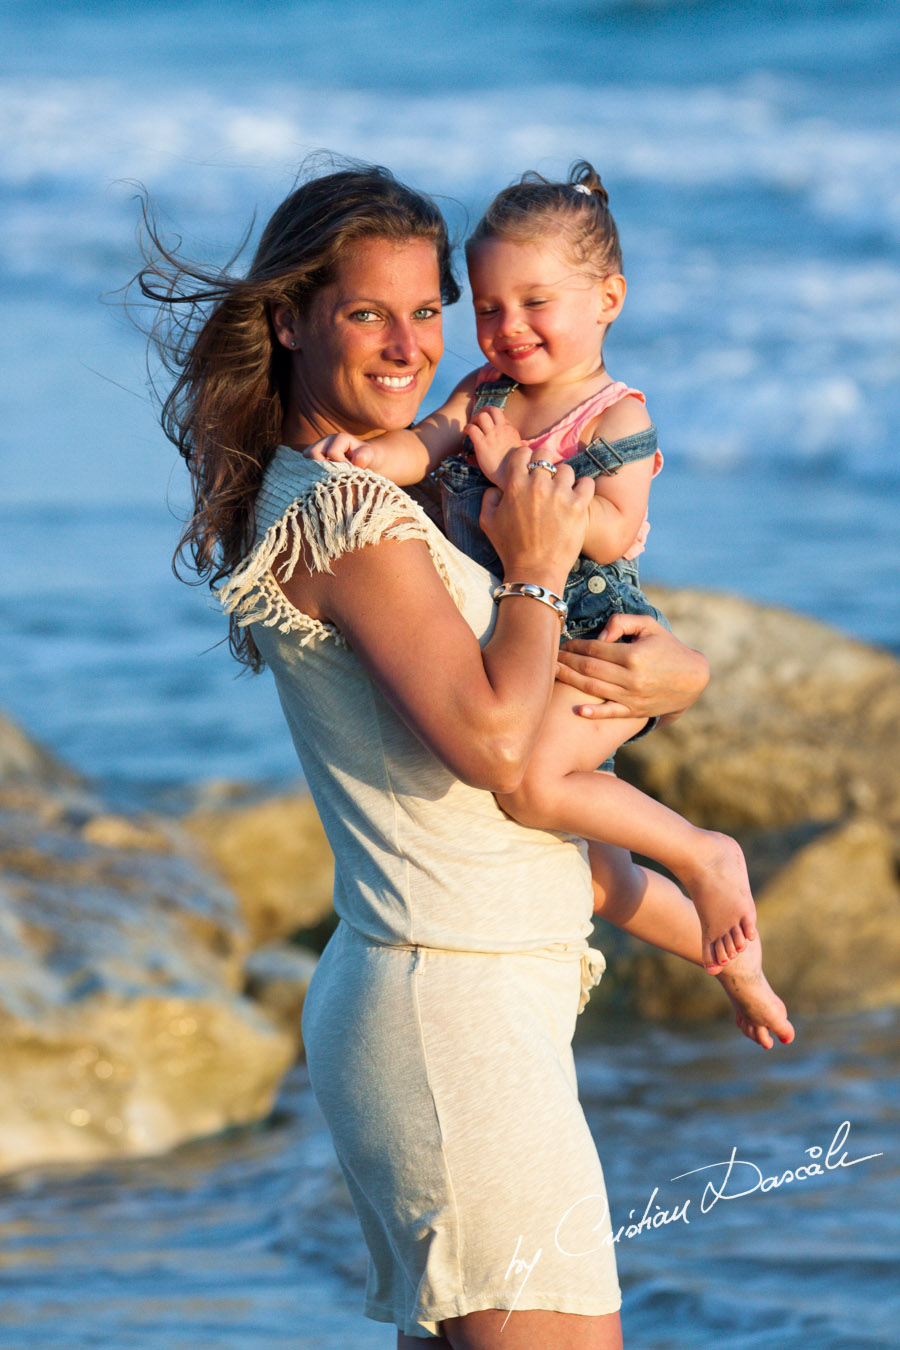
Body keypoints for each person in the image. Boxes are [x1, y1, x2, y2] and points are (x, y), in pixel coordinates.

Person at [140, 161, 794, 1349]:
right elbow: (504, 750)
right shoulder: (352, 518)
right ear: (289, 320)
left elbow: (501, 818)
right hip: (452, 1021)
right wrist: (539, 567)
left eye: (427, 311)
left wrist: (705, 906)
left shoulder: (374, 491)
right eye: (367, 313)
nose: (411, 347)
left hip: (457, 999)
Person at [305, 163, 755, 975]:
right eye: (486, 307)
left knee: (536, 790)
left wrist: (519, 470)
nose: (509, 326)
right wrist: (366, 455)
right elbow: (426, 445)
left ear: (607, 301)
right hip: (524, 632)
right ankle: (738, 968)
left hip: (592, 642)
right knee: (598, 876)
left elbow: (614, 535)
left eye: (535, 303)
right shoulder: (485, 391)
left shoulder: (616, 413)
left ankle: (705, 854)